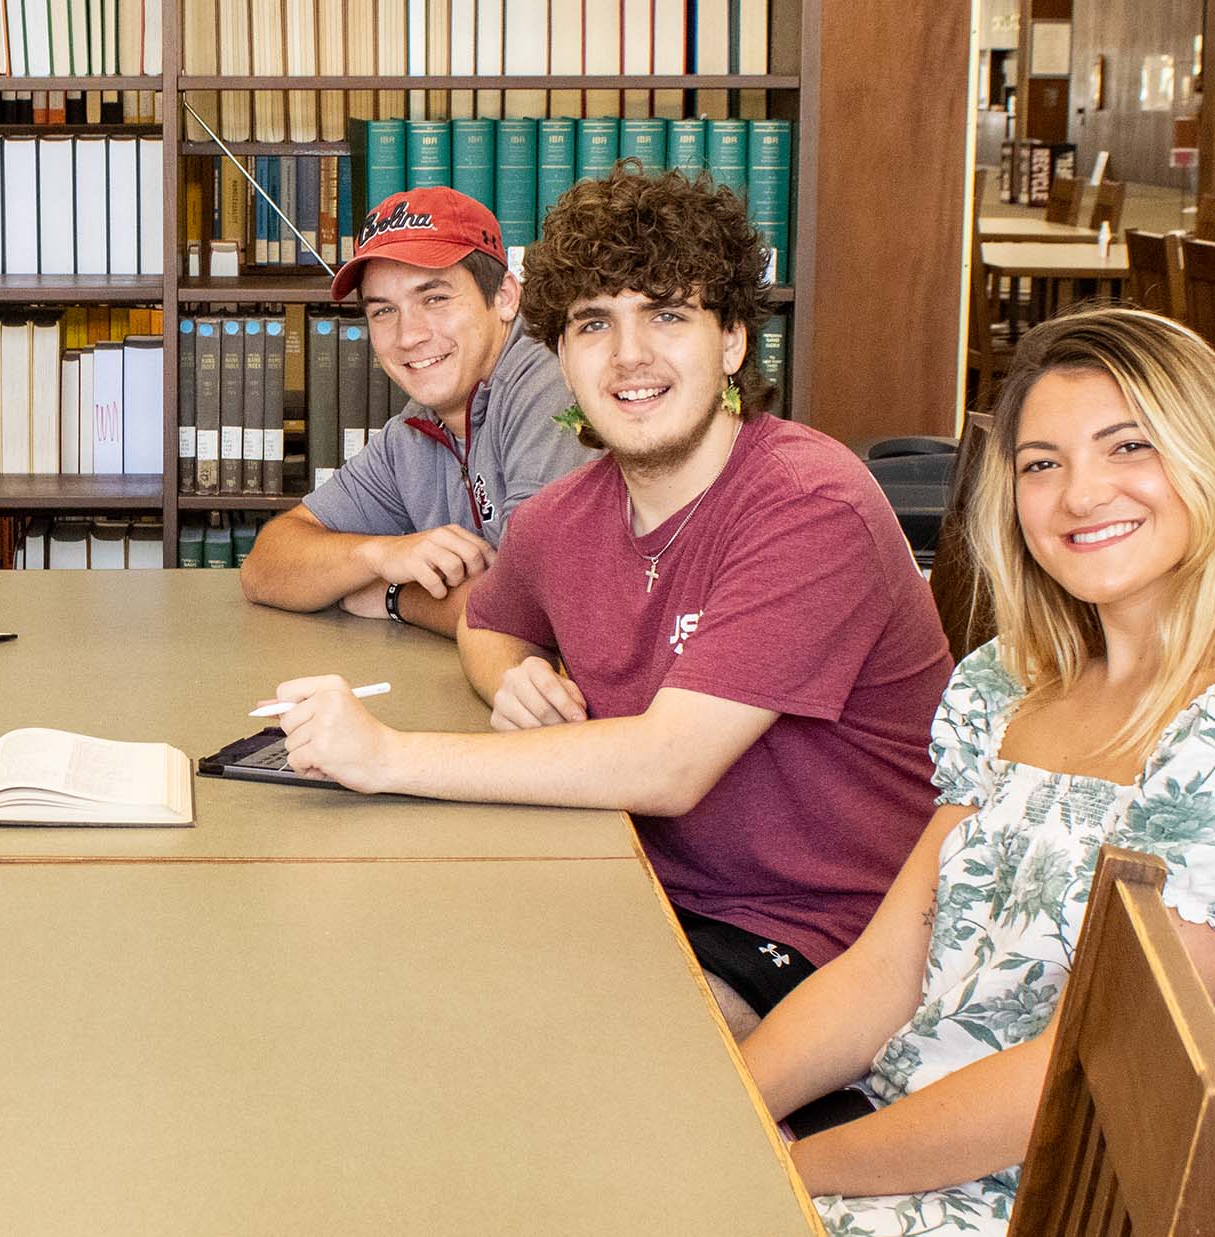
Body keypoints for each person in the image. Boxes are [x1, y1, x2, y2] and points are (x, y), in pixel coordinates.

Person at [268, 170, 948, 1035]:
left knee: (560, 1052)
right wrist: (510, 671)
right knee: (381, 977)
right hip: (636, 881)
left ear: (733, 340)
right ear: (559, 353)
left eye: (666, 314)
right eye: (594, 323)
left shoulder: (808, 502)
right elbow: (488, 618)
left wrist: (386, 757)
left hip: (823, 934)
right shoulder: (564, 516)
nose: (629, 356)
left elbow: (669, 766)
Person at [738, 307, 1215, 1234]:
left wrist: (790, 1169)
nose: (1080, 495)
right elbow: (885, 970)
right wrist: (725, 1109)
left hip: (1052, 1193)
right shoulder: (1010, 680)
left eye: (1128, 447)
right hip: (897, 1134)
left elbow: (1079, 1068)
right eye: (1042, 463)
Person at [238, 187, 594, 636]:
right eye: (384, 310)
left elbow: (531, 609)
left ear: (505, 296)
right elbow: (264, 567)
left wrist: (396, 597)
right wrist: (380, 554)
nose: (408, 336)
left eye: (435, 298)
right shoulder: (416, 426)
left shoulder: (549, 379)